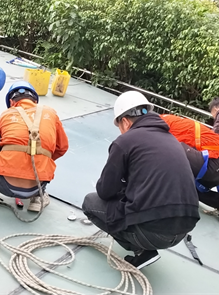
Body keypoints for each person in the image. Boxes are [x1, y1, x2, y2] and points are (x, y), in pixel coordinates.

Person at [82, 91, 200, 269]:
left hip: (154, 232)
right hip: (183, 230)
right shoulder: (172, 140)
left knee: (90, 202)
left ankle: (141, 251)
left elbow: (105, 191)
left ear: (125, 121)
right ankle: (144, 246)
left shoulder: (126, 141)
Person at [0, 81, 69, 212]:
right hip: (37, 185)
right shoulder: (50, 113)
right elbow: (62, 147)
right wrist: (40, 160)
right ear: (35, 100)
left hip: (2, 184)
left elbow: (1, 147)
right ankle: (37, 197)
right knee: (43, 152)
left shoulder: (6, 114)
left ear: (11, 102)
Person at [160, 114, 219, 224]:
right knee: (186, 188)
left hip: (213, 163)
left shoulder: (157, 126)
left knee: (166, 151)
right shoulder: (164, 120)